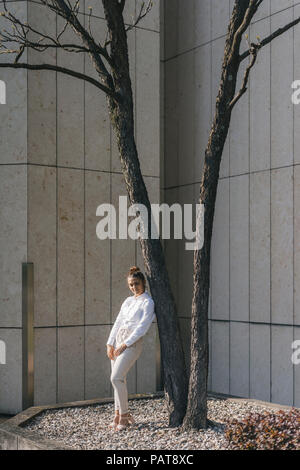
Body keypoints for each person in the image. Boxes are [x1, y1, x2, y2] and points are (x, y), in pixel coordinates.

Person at [106, 266, 156, 431]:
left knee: (116, 378)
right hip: (118, 341)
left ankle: (125, 415)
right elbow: (118, 322)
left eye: (136, 283)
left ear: (143, 282)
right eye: (131, 285)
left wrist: (124, 344)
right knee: (119, 380)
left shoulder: (148, 302)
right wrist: (110, 343)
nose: (134, 287)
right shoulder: (128, 301)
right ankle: (118, 414)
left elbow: (142, 328)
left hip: (131, 344)